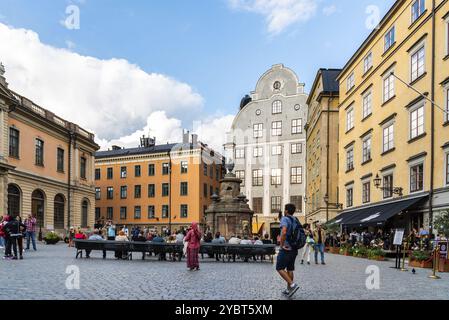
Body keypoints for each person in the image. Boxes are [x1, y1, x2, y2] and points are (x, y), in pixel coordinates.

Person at [276, 204, 300, 298]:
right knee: (290, 269)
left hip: (286, 248)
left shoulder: (285, 219)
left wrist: (281, 245)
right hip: (294, 248)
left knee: (279, 268)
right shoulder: (295, 219)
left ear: (286, 211)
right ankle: (288, 290)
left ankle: (292, 285)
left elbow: (284, 231)